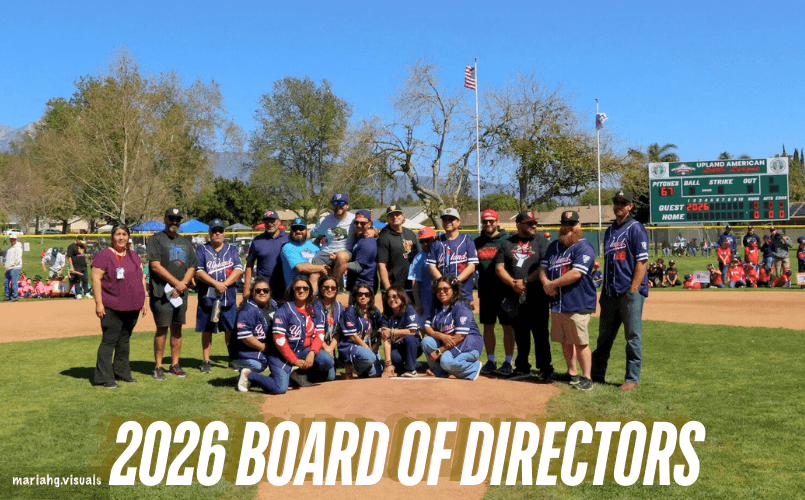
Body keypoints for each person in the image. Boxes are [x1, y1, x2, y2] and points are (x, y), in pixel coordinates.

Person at [591, 190, 649, 391]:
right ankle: (596, 375)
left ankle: (631, 379)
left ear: (630, 206)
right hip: (610, 293)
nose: (619, 206)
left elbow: (642, 261)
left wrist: (634, 290)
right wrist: (604, 291)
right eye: (616, 202)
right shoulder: (609, 231)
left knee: (632, 337)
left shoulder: (636, 228)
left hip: (629, 293)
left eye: (623, 203)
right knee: (603, 338)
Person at [538, 211, 597, 391]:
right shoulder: (554, 246)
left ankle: (587, 377)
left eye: (572, 223)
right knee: (565, 340)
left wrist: (551, 284)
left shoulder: (584, 246)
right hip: (558, 302)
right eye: (565, 223)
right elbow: (543, 267)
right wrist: (546, 283)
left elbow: (576, 273)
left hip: (578, 301)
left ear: (579, 225)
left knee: (580, 341)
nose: (568, 227)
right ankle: (572, 373)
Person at [495, 210, 553, 381]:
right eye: (529, 223)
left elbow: (544, 266)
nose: (534, 225)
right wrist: (514, 284)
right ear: (519, 224)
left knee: (541, 334)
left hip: (537, 296)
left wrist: (525, 281)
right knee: (520, 334)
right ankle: (522, 368)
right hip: (516, 296)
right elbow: (499, 268)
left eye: (535, 222)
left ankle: (545, 369)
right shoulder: (507, 244)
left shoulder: (542, 241)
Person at [92, 224, 147, 389]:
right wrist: (99, 303)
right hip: (112, 306)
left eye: (124, 234)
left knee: (124, 341)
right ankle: (104, 377)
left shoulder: (134, 256)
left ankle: (122, 372)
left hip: (132, 306)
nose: (121, 237)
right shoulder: (104, 255)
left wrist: (144, 300)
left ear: (128, 237)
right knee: (109, 341)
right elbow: (96, 279)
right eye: (117, 234)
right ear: (112, 236)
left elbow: (141, 278)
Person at [147, 207, 198, 380]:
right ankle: (158, 366)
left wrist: (182, 284)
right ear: (165, 219)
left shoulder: (185, 242)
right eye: (171, 219)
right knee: (162, 329)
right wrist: (176, 283)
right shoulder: (156, 240)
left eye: (177, 220)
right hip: (162, 293)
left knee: (177, 329)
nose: (174, 222)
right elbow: (155, 266)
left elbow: (192, 265)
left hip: (180, 293)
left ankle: (175, 364)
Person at [194, 219, 243, 374]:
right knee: (207, 330)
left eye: (220, 230)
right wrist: (216, 284)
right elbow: (198, 271)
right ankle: (206, 361)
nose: (217, 233)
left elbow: (238, 269)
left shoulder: (232, 249)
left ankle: (233, 359)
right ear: (209, 233)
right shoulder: (201, 250)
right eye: (214, 230)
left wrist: (225, 284)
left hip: (227, 297)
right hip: (207, 298)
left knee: (229, 329)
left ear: (224, 232)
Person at [473, 209, 514, 376]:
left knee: (507, 327)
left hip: (505, 292)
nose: (488, 224)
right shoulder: (477, 242)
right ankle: (491, 360)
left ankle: (508, 362)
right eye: (485, 221)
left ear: (497, 222)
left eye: (491, 221)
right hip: (486, 291)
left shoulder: (507, 240)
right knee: (488, 327)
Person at [421, 276, 484, 380]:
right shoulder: (436, 307)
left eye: (445, 289)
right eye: (438, 290)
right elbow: (427, 327)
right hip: (451, 343)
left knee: (446, 361)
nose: (441, 292)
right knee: (426, 341)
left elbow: (460, 336)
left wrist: (439, 351)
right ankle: (440, 372)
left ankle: (473, 368)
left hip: (469, 344)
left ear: (454, 290)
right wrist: (440, 335)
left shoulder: (461, 306)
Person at [427, 208, 479, 304]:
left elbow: (471, 266)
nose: (447, 222)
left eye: (451, 219)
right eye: (445, 219)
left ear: (458, 222)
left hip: (463, 291)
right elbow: (431, 266)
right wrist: (444, 283)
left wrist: (456, 281)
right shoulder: (436, 242)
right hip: (442, 293)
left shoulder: (467, 241)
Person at [338, 282, 384, 377]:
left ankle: (360, 370)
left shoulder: (374, 310)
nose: (363, 297)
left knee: (377, 371)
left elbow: (381, 330)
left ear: (371, 296)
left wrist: (376, 344)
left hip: (369, 347)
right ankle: (350, 366)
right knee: (370, 357)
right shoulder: (351, 311)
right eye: (360, 294)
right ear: (355, 296)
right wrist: (368, 349)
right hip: (350, 346)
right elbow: (353, 336)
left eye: (366, 294)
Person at [311, 193, 356, 289]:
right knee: (314, 260)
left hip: (345, 251)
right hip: (327, 251)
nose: (338, 206)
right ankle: (313, 297)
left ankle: (333, 286)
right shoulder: (326, 220)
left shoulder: (353, 219)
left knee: (341, 256)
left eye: (342, 203)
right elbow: (314, 233)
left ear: (347, 206)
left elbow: (370, 228)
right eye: (335, 203)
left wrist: (374, 231)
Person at [243, 210, 288, 301]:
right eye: (266, 221)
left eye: (272, 220)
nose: (270, 223)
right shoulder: (257, 241)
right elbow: (249, 265)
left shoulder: (288, 238)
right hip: (263, 288)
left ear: (279, 221)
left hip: (285, 286)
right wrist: (246, 289)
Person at [379, 284, 422, 377]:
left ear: (402, 296)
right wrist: (388, 364)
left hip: (414, 345)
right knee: (395, 357)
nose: (392, 299)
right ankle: (408, 365)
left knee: (409, 338)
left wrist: (392, 332)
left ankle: (411, 369)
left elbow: (412, 331)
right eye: (389, 297)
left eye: (395, 296)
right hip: (398, 347)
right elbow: (387, 340)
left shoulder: (409, 309)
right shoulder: (386, 315)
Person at [376, 205, 419, 296]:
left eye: (397, 214)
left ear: (402, 216)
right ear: (388, 218)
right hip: (393, 286)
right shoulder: (384, 236)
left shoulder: (410, 233)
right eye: (391, 215)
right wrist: (388, 290)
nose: (395, 217)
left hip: (410, 285)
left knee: (412, 310)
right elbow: (381, 265)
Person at [280, 218, 329, 293]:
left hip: (316, 292)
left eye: (301, 228)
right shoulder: (288, 247)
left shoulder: (313, 246)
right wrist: (321, 268)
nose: (298, 231)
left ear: (307, 230)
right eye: (295, 229)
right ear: (291, 231)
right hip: (296, 292)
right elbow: (300, 267)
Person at [408, 227, 437, 325]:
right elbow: (414, 282)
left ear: (434, 238)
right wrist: (417, 303)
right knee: (424, 327)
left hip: (442, 297)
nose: (424, 244)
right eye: (421, 241)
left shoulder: (442, 252)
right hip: (426, 299)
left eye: (427, 240)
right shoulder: (418, 258)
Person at [314, 275, 344, 361]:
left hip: (331, 344)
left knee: (331, 373)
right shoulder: (314, 305)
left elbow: (338, 330)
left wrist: (330, 348)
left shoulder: (338, 306)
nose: (330, 290)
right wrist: (326, 347)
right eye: (326, 287)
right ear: (320, 288)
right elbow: (313, 331)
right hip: (317, 344)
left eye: (333, 288)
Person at [348, 210, 378, 291]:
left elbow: (357, 267)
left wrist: (340, 263)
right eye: (356, 222)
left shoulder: (367, 242)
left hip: (365, 286)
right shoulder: (358, 237)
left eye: (363, 223)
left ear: (369, 224)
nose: (358, 225)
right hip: (356, 284)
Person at [3, 234, 23, 302]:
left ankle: (15, 297)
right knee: (5, 282)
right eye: (11, 239)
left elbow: (17, 259)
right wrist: (7, 265)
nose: (12, 241)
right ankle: (7, 296)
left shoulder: (18, 248)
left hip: (15, 267)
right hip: (8, 268)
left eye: (13, 239)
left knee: (14, 283)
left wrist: (12, 265)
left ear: (16, 239)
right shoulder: (9, 248)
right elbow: (7, 258)